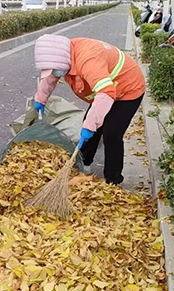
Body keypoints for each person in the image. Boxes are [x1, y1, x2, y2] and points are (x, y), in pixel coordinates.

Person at [32, 34, 146, 185]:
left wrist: (90, 126)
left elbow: (106, 92)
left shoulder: (88, 60)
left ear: (62, 60)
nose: (55, 73)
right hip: (105, 90)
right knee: (90, 123)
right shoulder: (63, 57)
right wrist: (40, 99)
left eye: (55, 70)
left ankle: (113, 180)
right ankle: (83, 164)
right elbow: (50, 78)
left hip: (128, 89)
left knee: (111, 133)